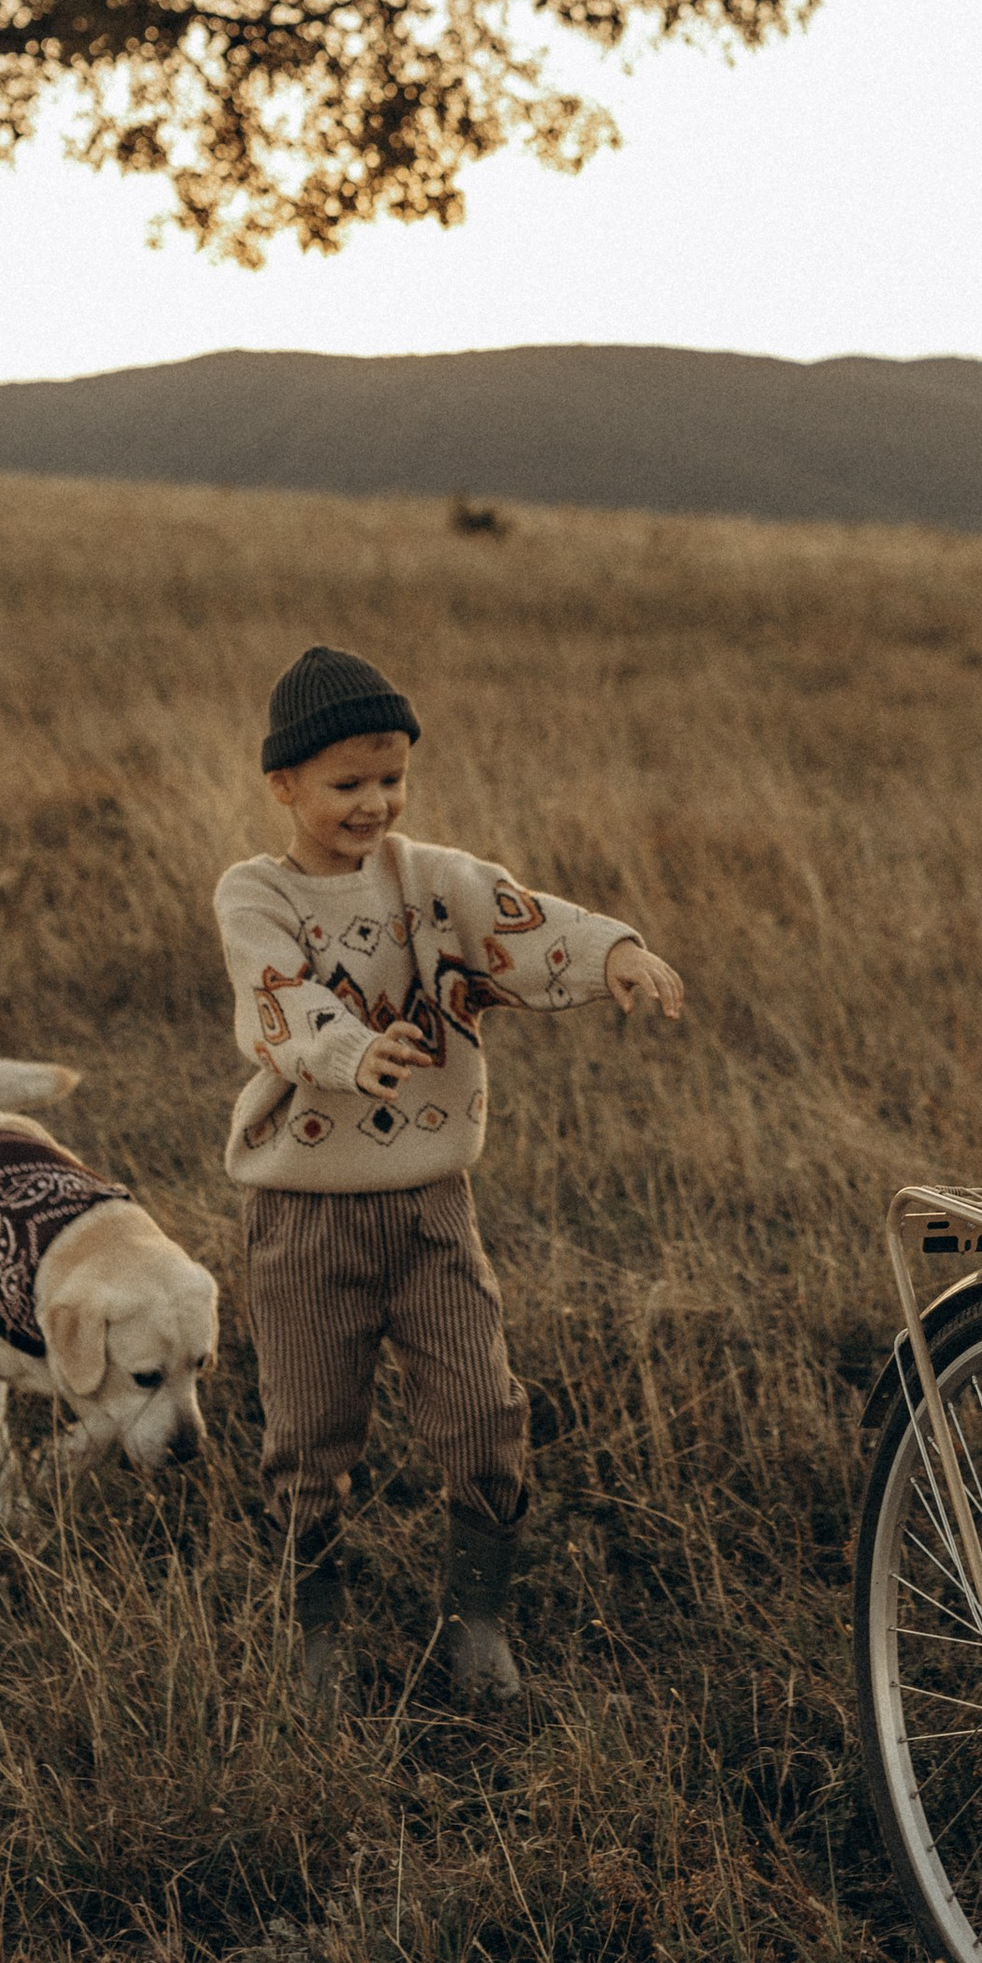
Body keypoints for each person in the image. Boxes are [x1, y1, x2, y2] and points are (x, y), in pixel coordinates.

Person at [216, 642, 682, 1702]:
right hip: (304, 1217)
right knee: (308, 1433)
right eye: (347, 784)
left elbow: (522, 921)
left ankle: (477, 1625)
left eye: (392, 779)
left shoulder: (430, 881)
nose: (374, 804)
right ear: (284, 786)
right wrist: (348, 1050)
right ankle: (317, 1634)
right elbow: (276, 995)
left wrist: (613, 952)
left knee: (482, 1413)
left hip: (432, 1209)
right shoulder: (255, 893)